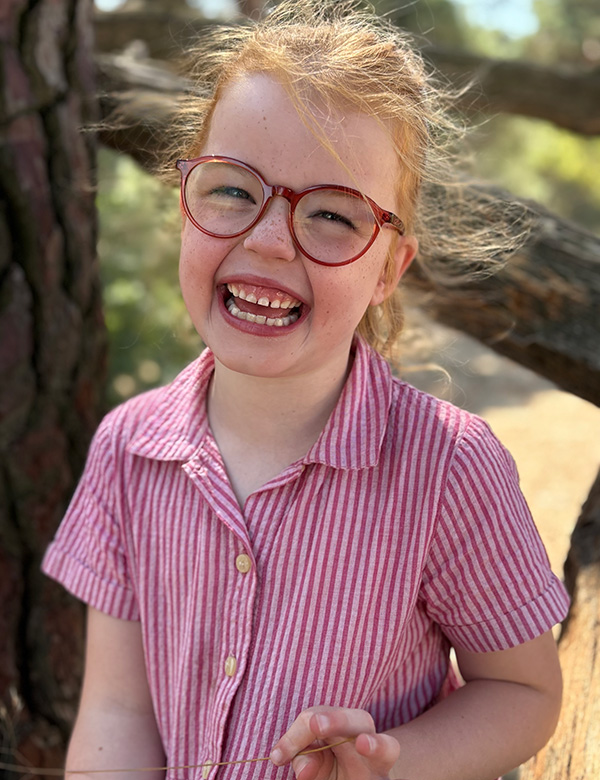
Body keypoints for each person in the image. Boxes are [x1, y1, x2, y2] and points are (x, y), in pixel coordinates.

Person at [42, 2, 569, 779]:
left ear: (388, 270)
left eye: (330, 213)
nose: (265, 238)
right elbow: (119, 714)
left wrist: (396, 762)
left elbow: (523, 692)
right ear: (183, 202)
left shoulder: (448, 468)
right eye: (230, 191)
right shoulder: (127, 451)